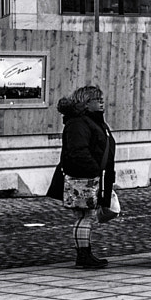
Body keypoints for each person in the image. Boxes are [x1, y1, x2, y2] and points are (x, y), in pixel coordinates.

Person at [49, 85, 115, 270]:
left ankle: (85, 254)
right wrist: (95, 171)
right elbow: (78, 152)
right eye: (97, 99)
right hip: (83, 177)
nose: (102, 102)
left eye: (101, 99)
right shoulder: (79, 123)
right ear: (86, 103)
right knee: (85, 215)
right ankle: (83, 255)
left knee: (87, 215)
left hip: (89, 176)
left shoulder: (88, 121)